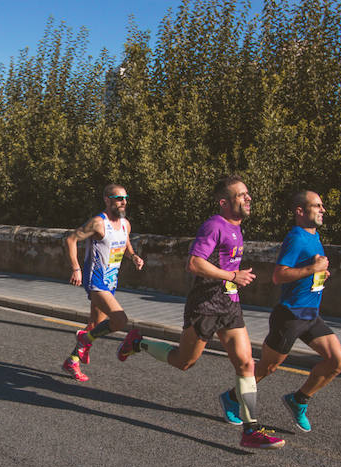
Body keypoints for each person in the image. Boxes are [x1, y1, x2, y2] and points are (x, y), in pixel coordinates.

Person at [116, 175, 285, 449]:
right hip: (204, 305)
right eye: (241, 195)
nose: (248, 198)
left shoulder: (236, 228)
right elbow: (194, 264)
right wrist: (232, 275)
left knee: (245, 364)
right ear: (224, 202)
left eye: (247, 194)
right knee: (184, 361)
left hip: (229, 304)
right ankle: (137, 342)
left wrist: (232, 280)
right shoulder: (214, 226)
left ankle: (250, 429)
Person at [218, 190, 341, 433]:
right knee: (267, 367)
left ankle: (298, 400)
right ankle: (232, 398)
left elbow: (306, 270)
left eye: (322, 206)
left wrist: (319, 273)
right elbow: (279, 276)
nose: (323, 210)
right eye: (317, 206)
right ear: (300, 211)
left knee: (337, 362)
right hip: (290, 316)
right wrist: (312, 268)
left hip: (310, 314)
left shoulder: (314, 235)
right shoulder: (296, 237)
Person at [62, 183, 145, 382]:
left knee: (95, 324)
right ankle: (84, 339)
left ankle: (72, 360)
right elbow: (71, 239)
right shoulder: (99, 223)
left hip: (111, 281)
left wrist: (133, 256)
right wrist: (76, 268)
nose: (123, 202)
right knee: (120, 320)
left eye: (125, 198)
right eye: (118, 198)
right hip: (96, 280)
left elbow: (125, 244)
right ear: (107, 200)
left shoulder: (125, 224)